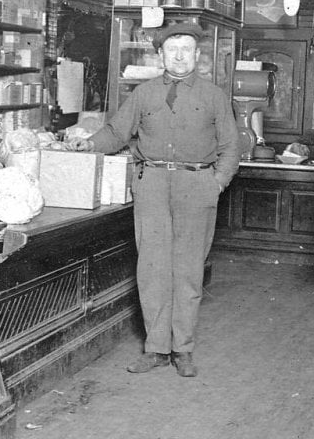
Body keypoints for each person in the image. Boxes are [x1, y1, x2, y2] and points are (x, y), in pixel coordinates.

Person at [66, 22, 240, 377]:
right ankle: (156, 348)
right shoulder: (144, 94)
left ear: (198, 55)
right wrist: (89, 143)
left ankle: (183, 349)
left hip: (197, 185)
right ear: (159, 54)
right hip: (153, 185)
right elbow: (117, 132)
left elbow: (231, 147)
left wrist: (215, 184)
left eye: (187, 49)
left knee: (189, 270)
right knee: (152, 269)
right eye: (172, 48)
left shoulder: (214, 96)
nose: (179, 55)